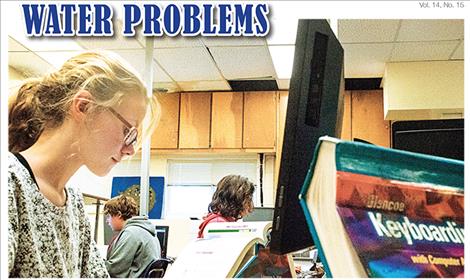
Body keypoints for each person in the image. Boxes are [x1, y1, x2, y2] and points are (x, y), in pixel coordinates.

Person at [8, 51, 158, 277]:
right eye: (129, 132)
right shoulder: (10, 183)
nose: (130, 150)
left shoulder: (74, 203)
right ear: (84, 106)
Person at [104, 195, 161, 278]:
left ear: (119, 215)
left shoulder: (131, 233)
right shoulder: (146, 230)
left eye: (109, 216)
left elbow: (114, 270)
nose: (107, 221)